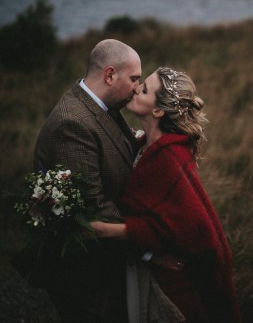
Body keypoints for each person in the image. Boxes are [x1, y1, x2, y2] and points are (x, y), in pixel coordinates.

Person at [31, 39, 180, 323]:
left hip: (105, 263)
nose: (137, 88)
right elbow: (93, 207)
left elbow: (114, 153)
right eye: (134, 79)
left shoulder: (103, 105)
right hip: (82, 271)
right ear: (110, 75)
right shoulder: (71, 123)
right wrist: (150, 252)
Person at [91, 67, 241, 323]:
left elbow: (183, 225)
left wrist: (107, 230)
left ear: (158, 111)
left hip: (173, 284)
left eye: (145, 89)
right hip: (146, 264)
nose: (136, 88)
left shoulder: (170, 156)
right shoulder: (144, 144)